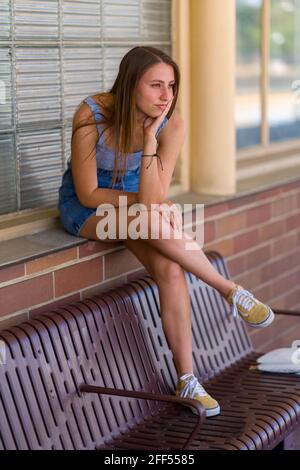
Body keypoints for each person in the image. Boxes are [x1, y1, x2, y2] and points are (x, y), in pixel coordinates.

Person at [58, 46, 274, 418]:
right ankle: (228, 289)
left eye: (171, 86)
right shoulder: (92, 115)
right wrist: (149, 202)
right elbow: (88, 192)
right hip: (89, 210)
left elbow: (155, 196)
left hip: (140, 208)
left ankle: (187, 378)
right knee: (153, 217)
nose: (166, 96)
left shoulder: (171, 123)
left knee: (172, 270)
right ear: (130, 86)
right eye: (156, 85)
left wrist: (150, 142)